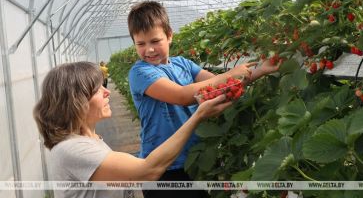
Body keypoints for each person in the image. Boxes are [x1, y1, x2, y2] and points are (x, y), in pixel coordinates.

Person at [127, 1, 281, 198]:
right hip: (163, 168)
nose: (149, 49)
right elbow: (182, 96)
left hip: (196, 158)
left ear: (170, 35)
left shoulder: (183, 64)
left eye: (155, 41)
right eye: (141, 44)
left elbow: (218, 85)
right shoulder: (140, 72)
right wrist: (230, 73)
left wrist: (260, 70)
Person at [33, 61, 232, 198]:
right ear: (75, 101)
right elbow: (147, 171)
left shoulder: (91, 139)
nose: (107, 91)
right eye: (97, 89)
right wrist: (197, 116)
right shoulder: (73, 149)